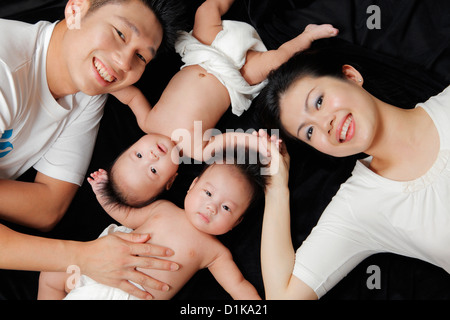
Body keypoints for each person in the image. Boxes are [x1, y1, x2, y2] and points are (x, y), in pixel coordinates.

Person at [0, 0, 186, 300]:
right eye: (120, 34)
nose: (125, 63)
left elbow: (48, 207)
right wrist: (82, 257)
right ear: (76, 9)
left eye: (140, 56)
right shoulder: (5, 67)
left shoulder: (88, 90)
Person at [255, 45, 450, 299]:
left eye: (319, 101)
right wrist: (275, 186)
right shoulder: (359, 206)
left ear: (350, 76)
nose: (325, 124)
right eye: (309, 132)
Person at [109, 0, 339, 207]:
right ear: (171, 180)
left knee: (206, 10)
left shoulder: (148, 122)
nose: (151, 156)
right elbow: (231, 138)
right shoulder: (196, 149)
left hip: (202, 52)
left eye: (138, 155)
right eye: (153, 170)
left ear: (132, 145)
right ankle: (306, 36)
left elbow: (131, 97)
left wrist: (108, 82)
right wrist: (258, 144)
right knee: (275, 62)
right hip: (235, 75)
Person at [38, 149, 267, 300]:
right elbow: (125, 215)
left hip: (134, 296)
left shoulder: (216, 253)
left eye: (226, 208)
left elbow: (238, 286)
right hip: (97, 273)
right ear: (192, 185)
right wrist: (102, 193)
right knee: (50, 273)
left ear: (236, 223)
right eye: (208, 193)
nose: (211, 207)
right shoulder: (162, 209)